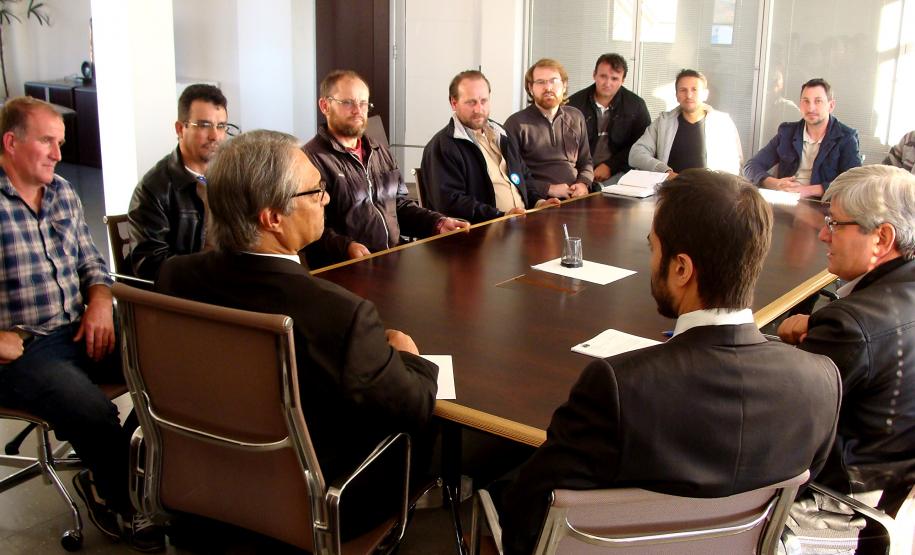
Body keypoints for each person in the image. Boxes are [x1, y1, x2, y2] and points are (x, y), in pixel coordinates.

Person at [496, 169, 841, 555]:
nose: (650, 260)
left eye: (652, 248)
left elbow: (527, 518)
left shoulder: (619, 387)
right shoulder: (821, 382)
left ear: (681, 269)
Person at [156, 130, 439, 538]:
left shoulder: (175, 276)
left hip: (205, 483)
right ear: (272, 217)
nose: (326, 199)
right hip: (316, 502)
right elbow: (412, 407)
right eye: (316, 191)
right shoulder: (338, 314)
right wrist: (408, 355)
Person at [0, 97, 163, 550]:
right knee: (92, 411)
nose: (58, 153)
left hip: (79, 326)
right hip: (22, 349)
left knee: (168, 365)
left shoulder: (62, 192)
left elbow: (93, 265)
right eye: (47, 142)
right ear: (11, 142)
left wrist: (100, 302)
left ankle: (132, 471)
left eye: (60, 142)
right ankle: (119, 499)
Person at [778, 165, 915, 514]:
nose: (823, 235)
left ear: (881, 239)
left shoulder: (849, 327)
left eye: (835, 224)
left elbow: (780, 421)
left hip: (831, 501)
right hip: (886, 488)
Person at [303, 70, 468, 268]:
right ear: (325, 106)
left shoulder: (379, 150)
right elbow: (306, 228)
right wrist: (345, 247)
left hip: (392, 261)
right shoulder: (309, 160)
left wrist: (437, 223)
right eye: (348, 103)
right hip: (346, 269)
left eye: (363, 103)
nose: (358, 110)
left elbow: (399, 206)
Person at [420, 70, 560, 223]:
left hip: (520, 224)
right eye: (471, 102)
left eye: (484, 101)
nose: (479, 109)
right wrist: (500, 216)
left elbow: (524, 178)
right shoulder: (442, 146)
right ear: (454, 103)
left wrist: (538, 203)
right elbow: (449, 203)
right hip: (482, 232)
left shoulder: (502, 134)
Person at [128, 84, 236, 281]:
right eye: (204, 125)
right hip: (189, 290)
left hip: (228, 281)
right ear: (180, 129)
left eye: (221, 126)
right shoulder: (154, 188)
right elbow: (149, 265)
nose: (215, 136)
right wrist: (213, 266)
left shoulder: (231, 176)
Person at [743, 78, 862, 198]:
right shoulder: (787, 133)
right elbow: (751, 166)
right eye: (806, 101)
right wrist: (775, 184)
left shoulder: (846, 138)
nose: (810, 108)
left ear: (831, 106)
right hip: (786, 200)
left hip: (823, 203)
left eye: (818, 101)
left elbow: (855, 182)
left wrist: (809, 190)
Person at [504, 58, 594, 200]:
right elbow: (512, 175)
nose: (548, 87)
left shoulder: (576, 117)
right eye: (540, 82)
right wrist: (548, 189)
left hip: (576, 197)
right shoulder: (516, 124)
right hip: (540, 200)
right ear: (530, 88)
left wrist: (583, 183)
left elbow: (586, 161)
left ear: (564, 85)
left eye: (554, 81)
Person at [629, 69, 743, 177]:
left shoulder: (723, 123)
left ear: (705, 94)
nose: (689, 95)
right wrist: (664, 171)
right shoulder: (663, 122)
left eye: (694, 89)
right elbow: (636, 154)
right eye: (683, 90)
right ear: (677, 95)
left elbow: (736, 164)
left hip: (710, 188)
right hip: (670, 187)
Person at [567, 53, 651, 185]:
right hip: (578, 172)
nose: (608, 83)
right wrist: (585, 173)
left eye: (614, 78)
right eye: (603, 76)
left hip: (620, 171)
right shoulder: (573, 104)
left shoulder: (636, 105)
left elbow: (642, 144)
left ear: (623, 80)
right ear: (594, 75)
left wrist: (610, 166)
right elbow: (565, 146)